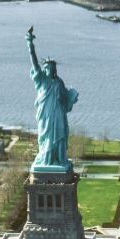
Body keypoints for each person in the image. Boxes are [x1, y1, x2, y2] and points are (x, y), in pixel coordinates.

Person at [26, 27, 79, 169]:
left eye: (52, 67)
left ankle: (60, 159)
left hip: (58, 114)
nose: (50, 69)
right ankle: (47, 160)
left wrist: (72, 96)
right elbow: (35, 63)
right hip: (46, 116)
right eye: (48, 67)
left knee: (60, 137)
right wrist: (30, 44)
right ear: (44, 69)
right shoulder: (42, 80)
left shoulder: (59, 82)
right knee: (48, 139)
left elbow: (65, 99)